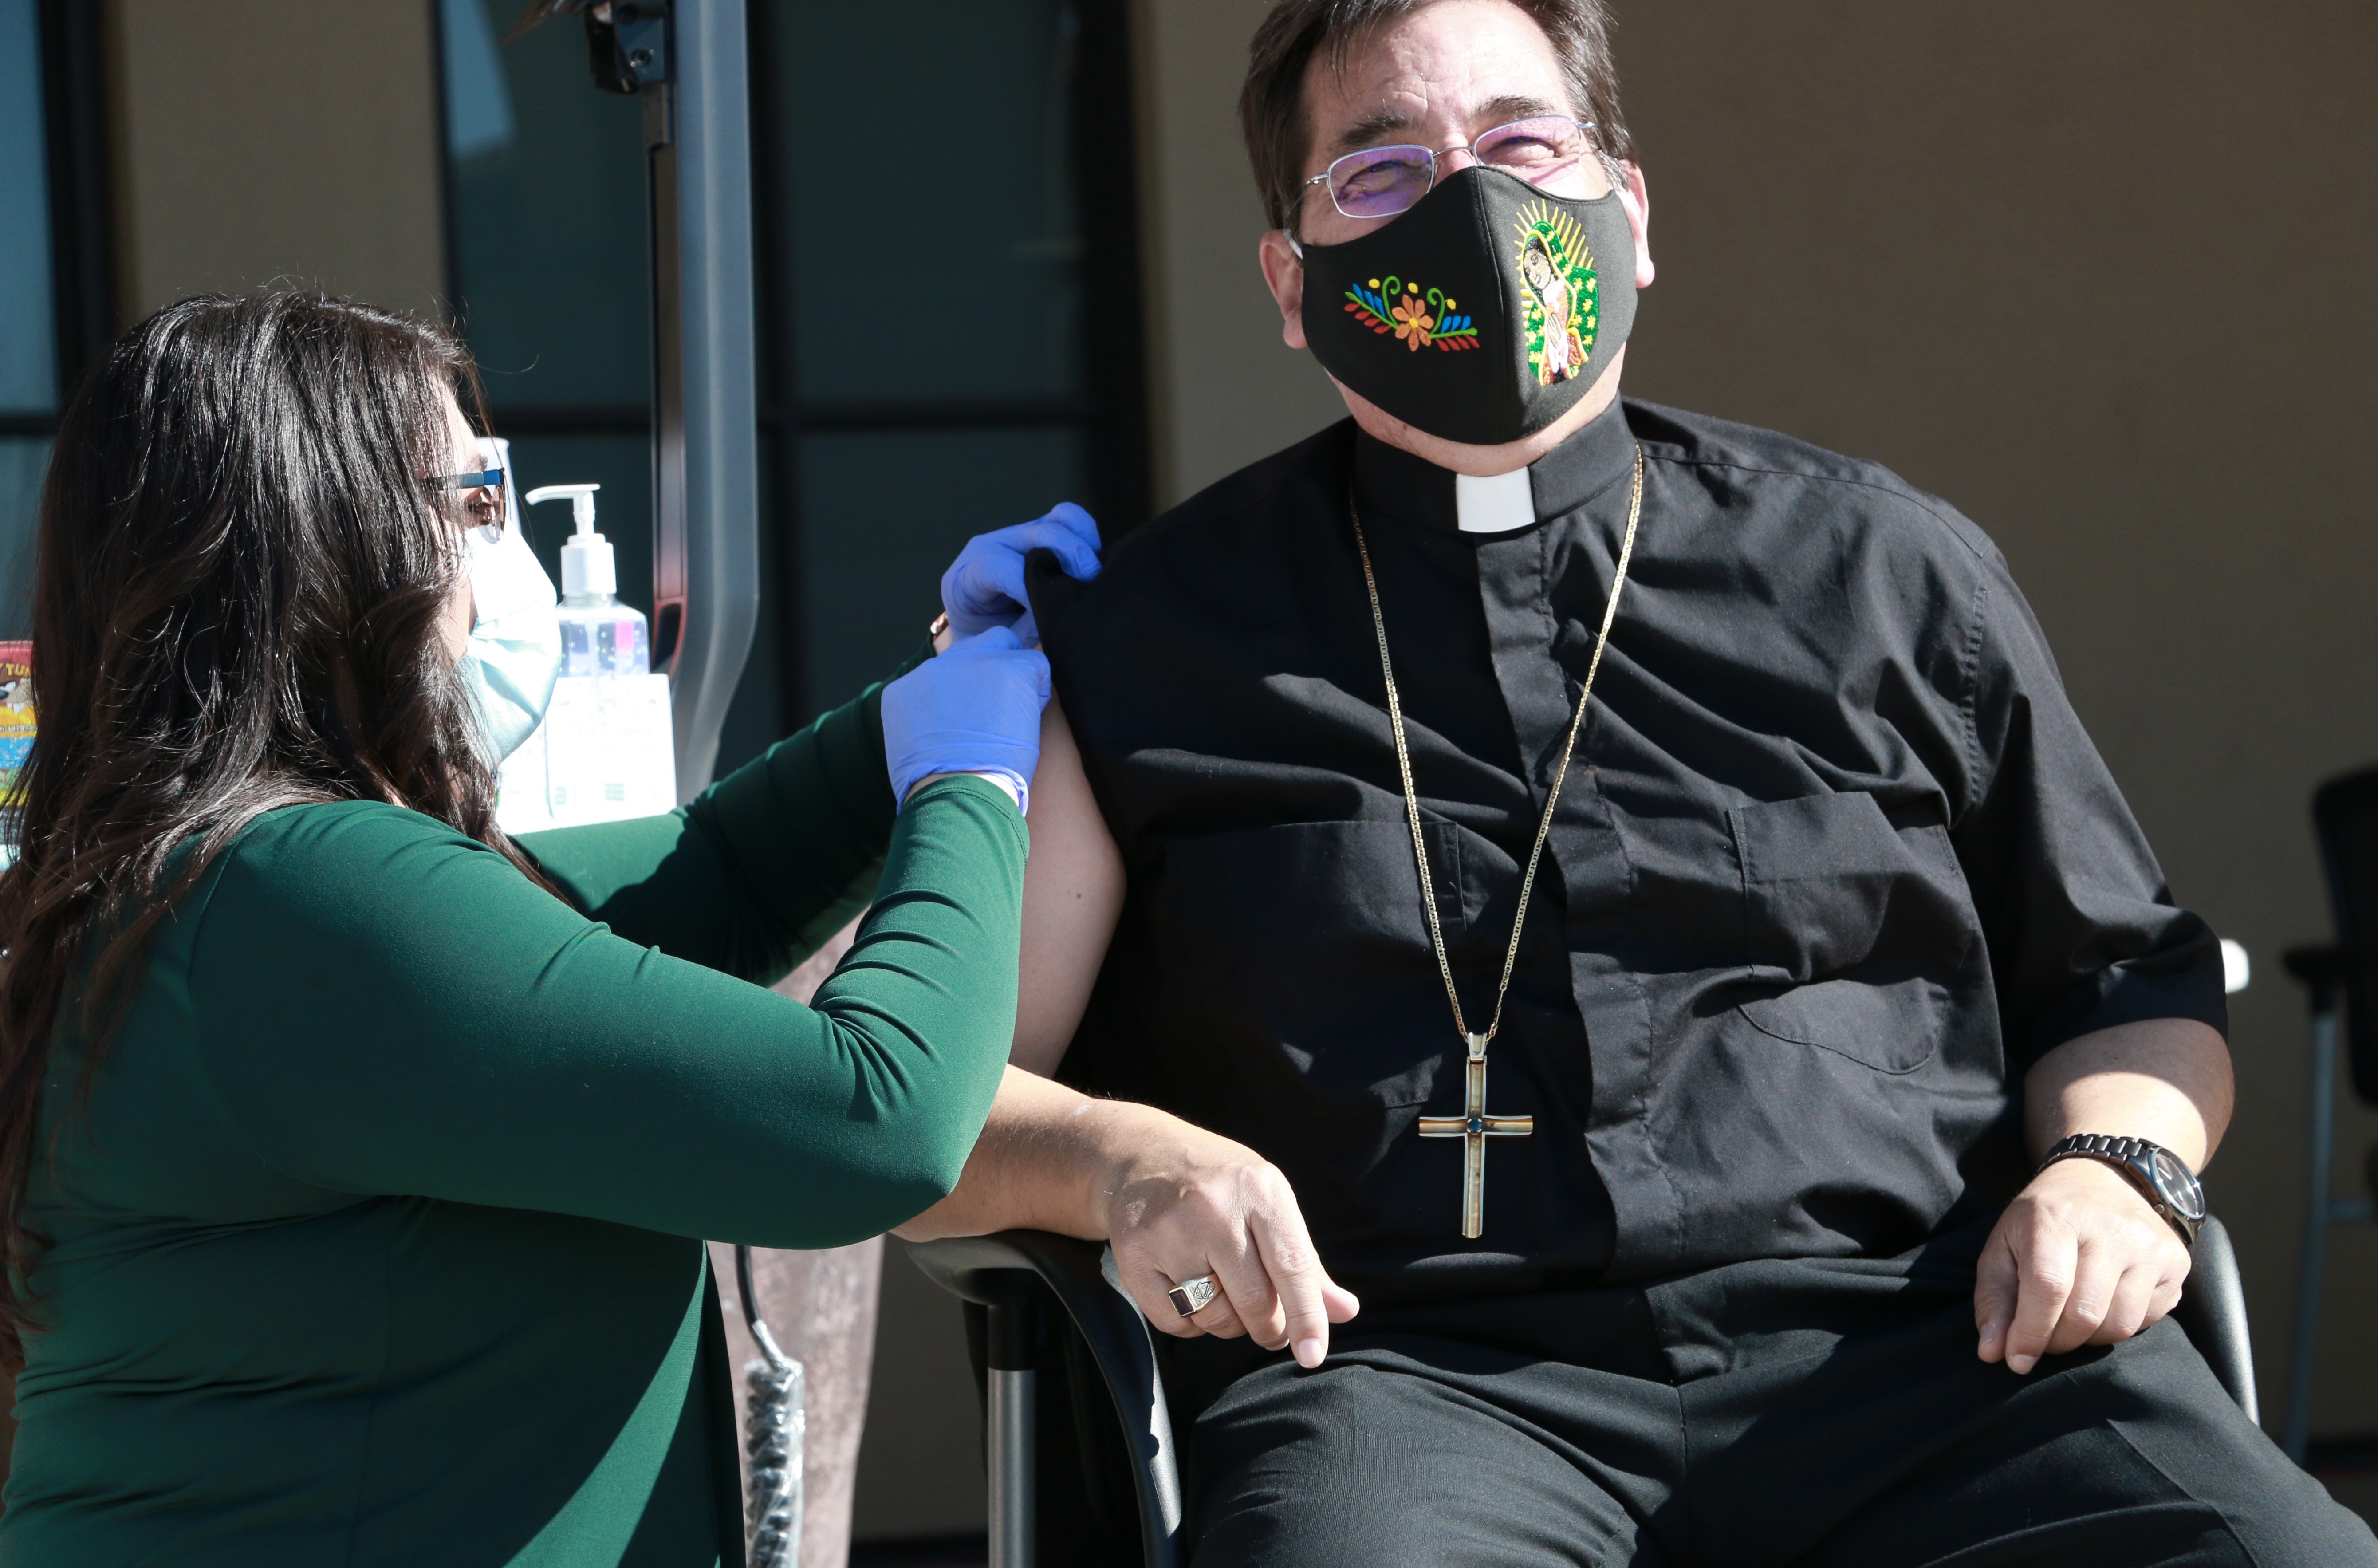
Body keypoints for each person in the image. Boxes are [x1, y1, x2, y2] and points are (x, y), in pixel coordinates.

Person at [900, 1, 2378, 1562]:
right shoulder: (1147, 639)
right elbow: (931, 1108)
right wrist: (1128, 1162)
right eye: (1380, 174)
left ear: (1633, 212)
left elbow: (2126, 979)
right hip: (1414, 1391)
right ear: (1291, 280)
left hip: (1935, 1356)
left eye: (1525, 143)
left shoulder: (1884, 573)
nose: (1475, 206)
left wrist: (2119, 1167)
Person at [0, 291, 1100, 1565]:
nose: (500, 563)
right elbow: (882, 1118)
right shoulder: (304, 893)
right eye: (471, 505)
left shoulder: (201, 891)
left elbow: (720, 876)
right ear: (321, 540)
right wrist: (971, 777)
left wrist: (941, 689)